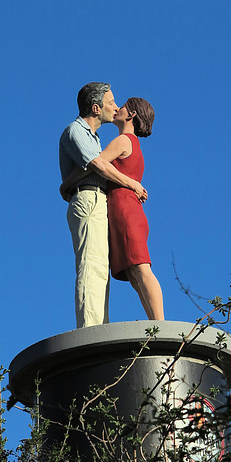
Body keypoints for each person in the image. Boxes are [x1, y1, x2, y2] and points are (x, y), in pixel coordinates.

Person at [61, 97, 164, 321]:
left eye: (123, 106)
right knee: (134, 273)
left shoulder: (124, 141)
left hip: (126, 210)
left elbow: (94, 165)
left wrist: (67, 183)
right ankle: (155, 323)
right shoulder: (130, 143)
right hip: (120, 210)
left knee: (140, 268)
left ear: (132, 115)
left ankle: (160, 323)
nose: (117, 108)